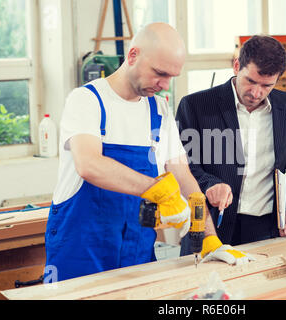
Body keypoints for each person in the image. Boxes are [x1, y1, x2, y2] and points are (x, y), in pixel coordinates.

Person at [44, 23, 252, 283]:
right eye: (159, 73)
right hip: (82, 249)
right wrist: (159, 189)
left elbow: (182, 175)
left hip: (136, 250)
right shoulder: (87, 100)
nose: (164, 84)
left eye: (171, 77)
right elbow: (90, 165)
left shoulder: (159, 110)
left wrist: (208, 235)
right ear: (133, 55)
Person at [176, 35, 286, 254]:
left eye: (266, 86)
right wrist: (209, 184)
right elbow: (183, 166)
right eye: (250, 81)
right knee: (203, 288)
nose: (256, 93)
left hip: (266, 229)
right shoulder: (196, 106)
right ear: (236, 66)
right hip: (212, 225)